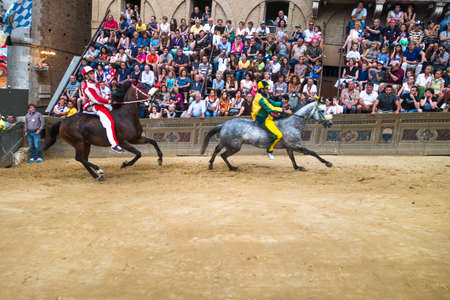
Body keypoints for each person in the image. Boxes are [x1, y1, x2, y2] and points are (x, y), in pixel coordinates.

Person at [81, 66, 124, 153]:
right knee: (109, 122)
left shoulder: (95, 82)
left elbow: (100, 95)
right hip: (95, 106)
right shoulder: (88, 87)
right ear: (86, 76)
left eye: (93, 73)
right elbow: (96, 99)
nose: (93, 75)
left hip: (100, 103)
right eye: (90, 74)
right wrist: (108, 101)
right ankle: (114, 145)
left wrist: (108, 98)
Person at [251, 81, 292, 159]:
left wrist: (282, 104)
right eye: (266, 88)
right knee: (278, 135)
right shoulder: (260, 99)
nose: (267, 90)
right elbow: (270, 108)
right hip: (262, 119)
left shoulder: (262, 95)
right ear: (261, 89)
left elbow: (271, 102)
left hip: (267, 116)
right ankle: (269, 150)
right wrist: (284, 110)